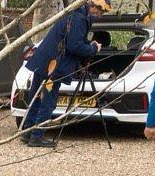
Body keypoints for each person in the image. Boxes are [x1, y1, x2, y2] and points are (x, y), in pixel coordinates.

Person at [21, 0, 111, 148]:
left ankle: (27, 132)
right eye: (100, 11)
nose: (100, 15)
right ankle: (37, 136)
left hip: (44, 60)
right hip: (53, 66)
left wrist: (89, 44)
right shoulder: (80, 18)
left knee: (36, 97)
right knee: (48, 101)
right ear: (94, 6)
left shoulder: (74, 12)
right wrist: (93, 49)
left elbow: (73, 39)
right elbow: (74, 46)